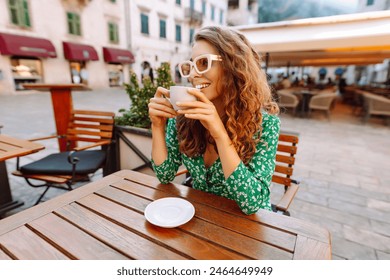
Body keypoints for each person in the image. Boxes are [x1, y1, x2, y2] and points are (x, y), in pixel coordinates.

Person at [148, 26, 280, 215]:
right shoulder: (184, 118)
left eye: (203, 63)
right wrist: (157, 126)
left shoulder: (265, 125)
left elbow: (252, 204)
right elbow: (164, 174)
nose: (193, 75)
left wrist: (219, 134)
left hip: (247, 228)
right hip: (201, 217)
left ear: (233, 67)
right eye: (191, 65)